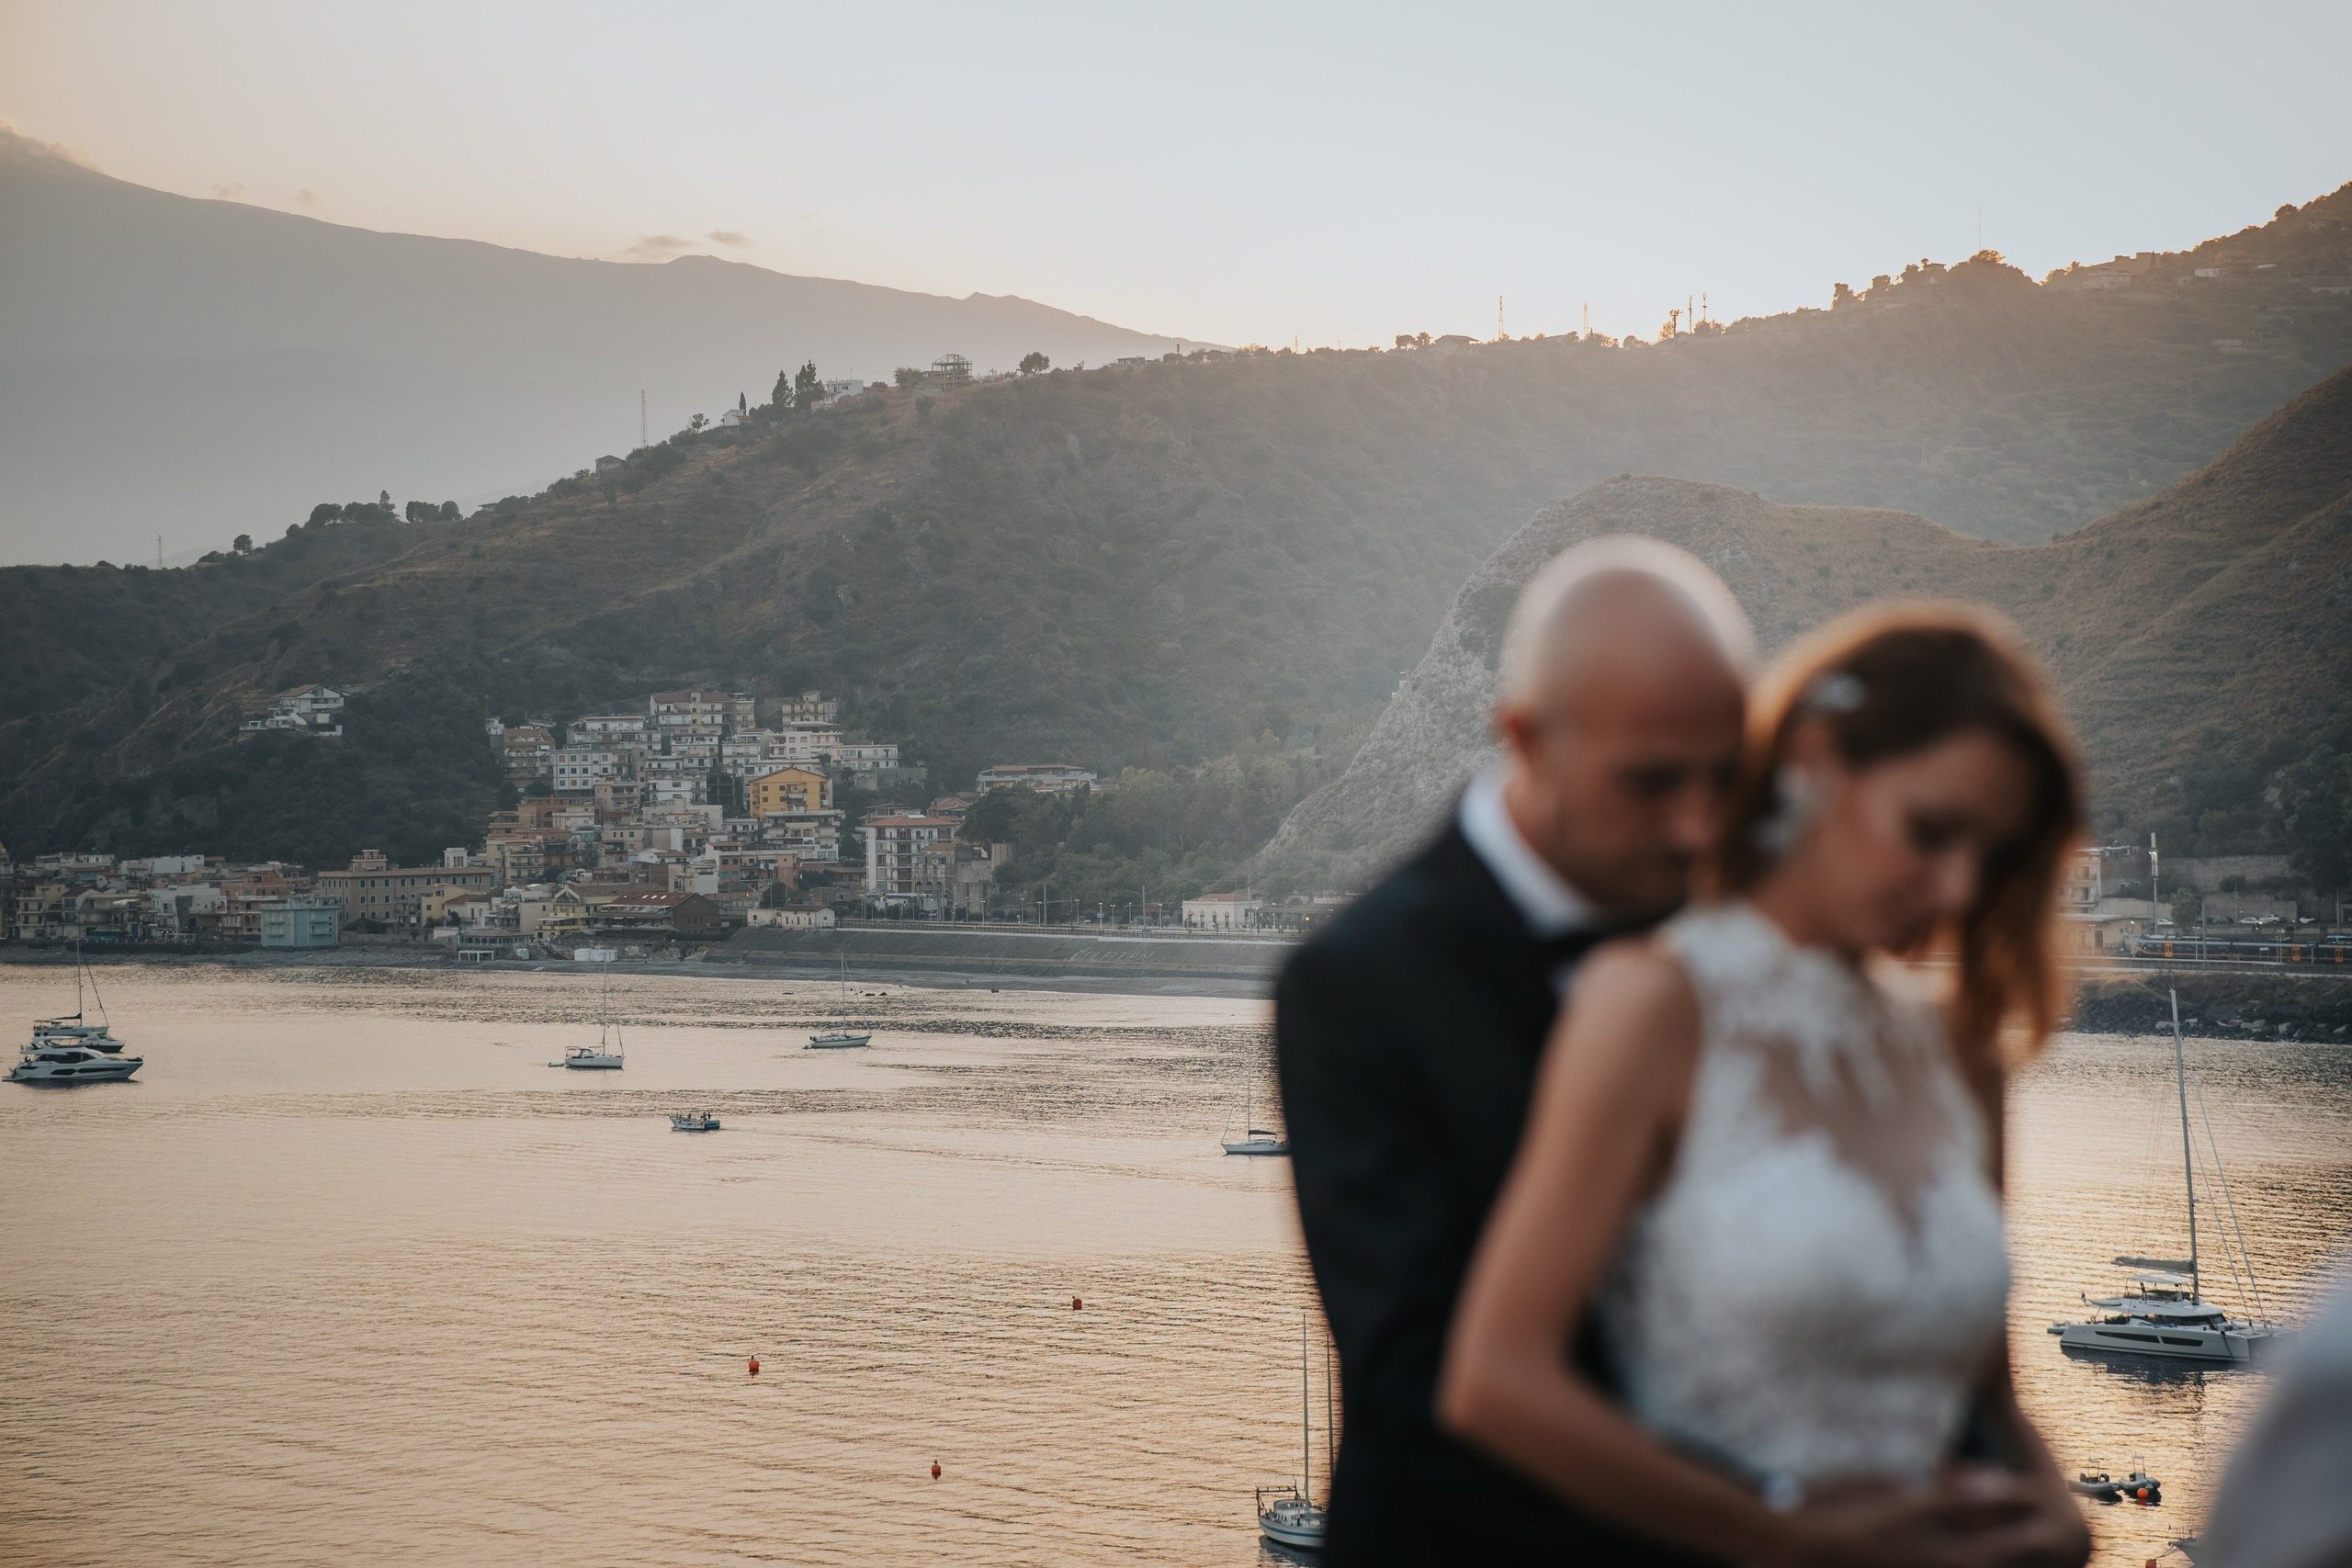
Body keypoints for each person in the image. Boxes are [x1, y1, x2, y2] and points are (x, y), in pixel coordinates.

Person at [1439, 604, 2092, 1568]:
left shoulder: (1960, 1052)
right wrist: (1786, 1536)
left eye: (1993, 855)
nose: (1960, 889)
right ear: (1815, 762)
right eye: (1930, 830)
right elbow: (1495, 1380)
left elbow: (1989, 1393)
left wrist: (2063, 1512)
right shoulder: (1655, 1004)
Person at [1275, 536, 1754, 1563]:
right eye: (1650, 781)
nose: (1695, 825)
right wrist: (1777, 1528)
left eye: (1725, 778)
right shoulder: (1356, 982)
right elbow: (1417, 1387)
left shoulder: (1746, 933)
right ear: (1526, 740)